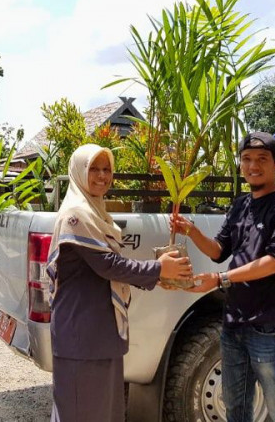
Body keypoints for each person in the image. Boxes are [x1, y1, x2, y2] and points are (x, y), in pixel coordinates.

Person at [172, 132, 275, 422]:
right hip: (234, 324)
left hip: (270, 328)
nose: (253, 166)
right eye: (246, 159)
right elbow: (219, 250)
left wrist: (220, 280)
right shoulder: (241, 205)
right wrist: (191, 231)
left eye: (262, 159)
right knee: (236, 410)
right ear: (240, 166)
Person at [48, 144, 193, 422]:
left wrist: (157, 275)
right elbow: (108, 265)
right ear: (79, 171)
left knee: (103, 410)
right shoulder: (76, 217)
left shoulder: (97, 214)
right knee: (78, 411)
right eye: (94, 168)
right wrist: (159, 269)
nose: (102, 176)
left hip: (100, 332)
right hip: (82, 334)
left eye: (107, 169)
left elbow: (107, 269)